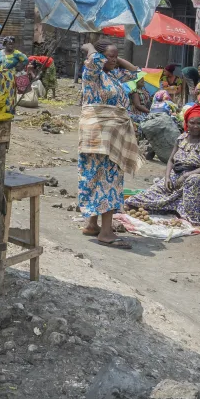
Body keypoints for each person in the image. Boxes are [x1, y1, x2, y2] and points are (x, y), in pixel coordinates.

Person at [77, 42, 142, 249]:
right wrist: (90, 47)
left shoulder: (113, 76)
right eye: (110, 57)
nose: (113, 60)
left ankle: (92, 225)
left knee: (99, 177)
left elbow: (136, 74)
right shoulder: (91, 74)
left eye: (116, 57)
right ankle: (106, 233)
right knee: (107, 181)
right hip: (100, 137)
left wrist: (115, 59)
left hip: (108, 137)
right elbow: (95, 61)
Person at [125, 105, 200, 226]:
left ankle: (190, 214)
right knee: (136, 201)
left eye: (199, 123)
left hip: (194, 181)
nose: (195, 126)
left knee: (196, 180)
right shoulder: (182, 138)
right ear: (187, 122)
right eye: (192, 123)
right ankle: (172, 207)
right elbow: (171, 160)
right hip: (176, 177)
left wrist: (186, 176)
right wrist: (168, 177)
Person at [0, 36, 28, 112]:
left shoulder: (17, 53)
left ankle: (8, 111)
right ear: (5, 44)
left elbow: (26, 60)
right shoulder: (0, 53)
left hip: (10, 79)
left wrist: (19, 67)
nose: (11, 46)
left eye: (13, 44)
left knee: (9, 95)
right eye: (9, 44)